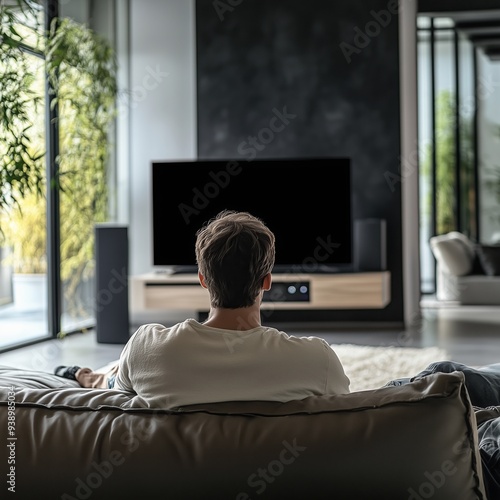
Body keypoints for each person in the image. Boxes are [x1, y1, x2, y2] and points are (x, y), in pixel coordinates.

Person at [55, 209, 350, 408]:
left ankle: (87, 376)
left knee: (112, 377)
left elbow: (118, 400)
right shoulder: (317, 359)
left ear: (202, 280)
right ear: (267, 281)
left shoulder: (147, 347)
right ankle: (92, 375)